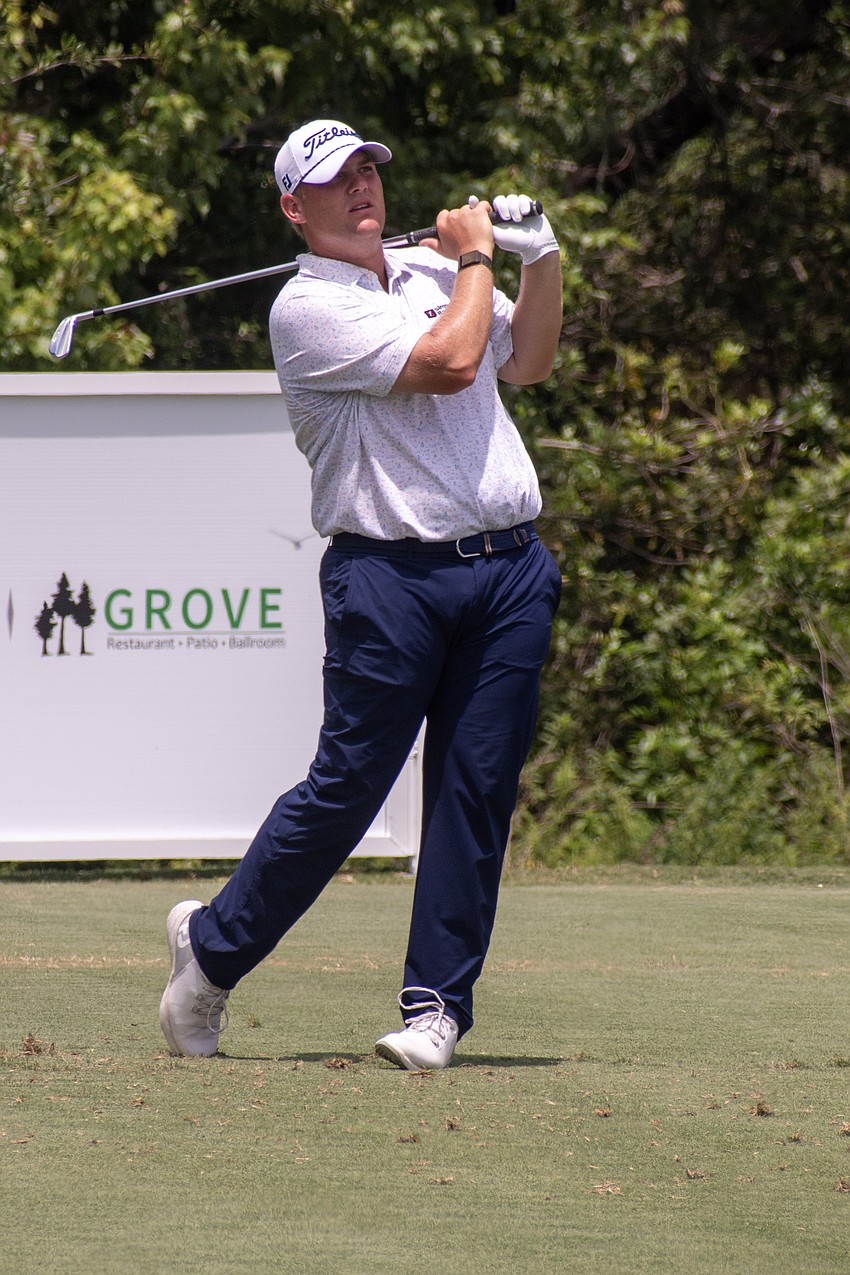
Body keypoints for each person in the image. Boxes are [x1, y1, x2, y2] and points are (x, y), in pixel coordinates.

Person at [159, 117, 563, 1070]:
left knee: (475, 789)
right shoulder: (305, 311)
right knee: (347, 792)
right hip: (391, 577)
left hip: (509, 570)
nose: (363, 189)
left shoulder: (432, 274)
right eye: (337, 180)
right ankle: (210, 958)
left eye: (369, 170)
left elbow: (529, 361)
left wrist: (537, 259)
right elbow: (453, 362)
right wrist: (475, 260)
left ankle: (435, 1010)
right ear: (296, 208)